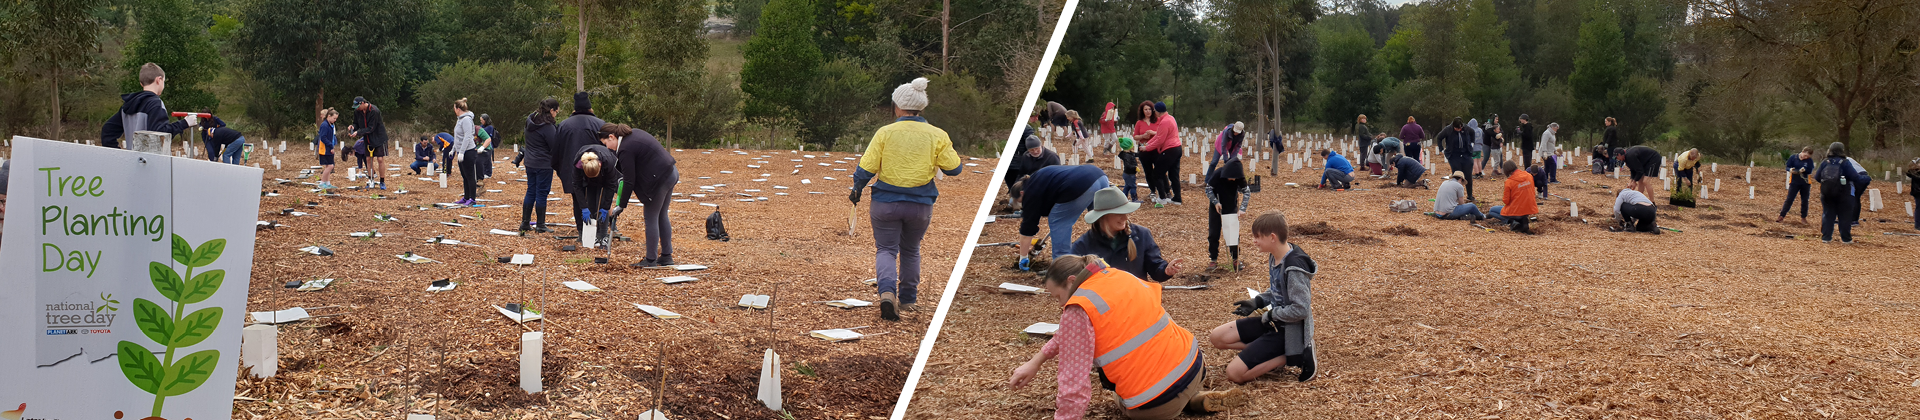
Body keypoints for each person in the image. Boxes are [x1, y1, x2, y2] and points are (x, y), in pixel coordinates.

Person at [1008, 255, 1244, 420]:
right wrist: (1036, 360)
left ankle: (1177, 405)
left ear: (1071, 282)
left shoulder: (1078, 308)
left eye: (1057, 296)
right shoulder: (1117, 277)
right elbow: (1068, 334)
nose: (1060, 304)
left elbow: (1073, 384)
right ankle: (1192, 398)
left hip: (1156, 402)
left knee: (1121, 398)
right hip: (1194, 365)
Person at [852, 77, 963, 321]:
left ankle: (887, 294)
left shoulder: (885, 133)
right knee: (911, 250)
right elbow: (954, 169)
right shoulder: (937, 134)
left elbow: (866, 168)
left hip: (885, 203)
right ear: (921, 107)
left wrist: (856, 189)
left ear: (897, 106)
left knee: (886, 249)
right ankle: (909, 299)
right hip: (920, 204)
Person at [1207, 211, 1319, 384]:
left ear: (1272, 237)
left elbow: (1301, 309)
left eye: (1257, 237)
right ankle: (1267, 352)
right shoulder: (1275, 257)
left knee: (1234, 374)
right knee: (1217, 337)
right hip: (1272, 322)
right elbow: (1278, 290)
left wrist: (1271, 315)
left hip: (1288, 331)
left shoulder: (1293, 268)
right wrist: (1256, 301)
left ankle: (1290, 355)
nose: (1254, 241)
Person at [1070, 187, 1181, 282]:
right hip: (1101, 304)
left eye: (1125, 212)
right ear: (1103, 217)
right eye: (1119, 213)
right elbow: (1074, 280)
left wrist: (1165, 270)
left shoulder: (1142, 235)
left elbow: (1155, 267)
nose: (1125, 217)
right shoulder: (1083, 245)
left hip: (1134, 301)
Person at [613, 123, 683, 267]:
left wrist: (621, 205)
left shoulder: (624, 148)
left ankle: (650, 259)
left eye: (606, 143)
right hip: (671, 172)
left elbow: (629, 180)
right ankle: (666, 256)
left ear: (611, 137)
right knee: (662, 215)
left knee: (651, 217)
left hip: (660, 178)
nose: (608, 147)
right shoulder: (634, 134)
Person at [1015, 164, 1111, 261]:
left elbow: (1028, 227)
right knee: (1102, 221)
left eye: (1021, 201)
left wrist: (1023, 257)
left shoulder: (1030, 191)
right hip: (1099, 176)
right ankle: (1109, 257)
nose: (1024, 205)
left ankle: (1062, 265)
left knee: (1058, 221)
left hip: (1078, 184)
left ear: (1022, 193)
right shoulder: (1038, 179)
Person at [100, 63, 197, 149]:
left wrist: (117, 154)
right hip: (151, 163)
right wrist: (185, 123)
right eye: (164, 81)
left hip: (132, 162)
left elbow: (107, 131)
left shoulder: (127, 105)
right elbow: (160, 134)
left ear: (141, 83)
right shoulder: (155, 103)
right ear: (159, 80)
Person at [555, 92, 607, 229]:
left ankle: (581, 229)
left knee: (578, 199)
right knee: (595, 198)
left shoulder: (563, 125)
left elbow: (556, 151)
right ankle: (596, 229)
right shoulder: (600, 124)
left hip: (571, 169)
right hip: (596, 169)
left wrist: (560, 170)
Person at [573, 124, 626, 249]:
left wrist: (605, 207)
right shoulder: (578, 164)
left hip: (606, 177)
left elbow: (610, 185)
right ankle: (592, 235)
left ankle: (603, 236)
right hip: (589, 179)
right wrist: (583, 207)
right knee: (591, 202)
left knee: (603, 204)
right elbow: (577, 186)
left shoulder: (608, 161)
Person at [521, 98, 561, 234]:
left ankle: (525, 222)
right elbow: (554, 146)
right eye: (557, 111)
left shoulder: (530, 122)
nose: (557, 113)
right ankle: (540, 224)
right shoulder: (548, 127)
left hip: (530, 161)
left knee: (531, 190)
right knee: (542, 193)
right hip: (543, 163)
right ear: (551, 111)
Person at [1815, 142, 1869, 243]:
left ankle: (1826, 238)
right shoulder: (1845, 162)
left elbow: (1817, 177)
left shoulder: (1825, 162)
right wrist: (1866, 178)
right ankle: (1846, 239)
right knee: (1845, 216)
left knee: (1828, 215)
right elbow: (1855, 177)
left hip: (1827, 193)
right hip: (1845, 193)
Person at [1205, 157, 1249, 271]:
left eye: (1236, 178)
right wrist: (1215, 202)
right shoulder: (1217, 174)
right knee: (1214, 233)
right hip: (1216, 206)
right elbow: (1208, 189)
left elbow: (1247, 192)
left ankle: (1235, 258)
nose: (1234, 180)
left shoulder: (1239, 177)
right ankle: (1213, 259)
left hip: (1231, 205)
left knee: (1232, 233)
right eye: (1232, 177)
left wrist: (1242, 208)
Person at [1005, 128, 1061, 208]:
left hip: (1045, 185)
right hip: (1029, 184)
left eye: (1037, 149)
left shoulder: (1052, 157)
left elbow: (1057, 177)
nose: (1035, 151)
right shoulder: (1025, 156)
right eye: (1031, 150)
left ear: (1041, 146)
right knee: (1014, 201)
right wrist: (1015, 189)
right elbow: (1021, 173)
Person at [347, 96, 391, 190]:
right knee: (368, 159)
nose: (357, 109)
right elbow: (356, 123)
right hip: (367, 138)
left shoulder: (374, 111)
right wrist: (353, 127)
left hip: (379, 137)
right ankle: (371, 180)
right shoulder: (357, 112)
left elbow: (371, 128)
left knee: (380, 159)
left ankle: (382, 181)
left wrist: (358, 132)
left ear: (363, 103)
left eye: (358, 106)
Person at [1487, 161, 1538, 234]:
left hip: (1516, 210)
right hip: (1529, 208)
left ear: (1506, 171)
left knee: (1492, 210)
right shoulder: (1529, 176)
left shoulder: (1509, 182)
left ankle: (1512, 221)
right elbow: (1533, 192)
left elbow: (1506, 201)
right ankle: (1522, 221)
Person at [451, 98, 483, 207]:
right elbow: (457, 137)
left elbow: (467, 136)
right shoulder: (459, 119)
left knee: (470, 176)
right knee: (464, 176)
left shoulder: (466, 120)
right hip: (461, 151)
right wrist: (454, 150)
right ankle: (466, 197)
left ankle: (472, 198)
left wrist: (462, 152)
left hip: (468, 151)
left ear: (458, 108)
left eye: (454, 108)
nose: (454, 110)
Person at [1132, 101, 1164, 205]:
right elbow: (1135, 136)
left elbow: (1163, 132)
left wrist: (1153, 133)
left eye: (1150, 109)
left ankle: (1163, 191)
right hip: (1143, 148)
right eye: (1145, 109)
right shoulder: (1139, 123)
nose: (1148, 111)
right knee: (1148, 171)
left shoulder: (1158, 120)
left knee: (1159, 170)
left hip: (1156, 148)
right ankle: (1152, 191)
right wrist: (1142, 136)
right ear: (1142, 111)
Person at [1776, 146, 1816, 223]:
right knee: (1789, 199)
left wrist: (1804, 170)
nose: (1806, 157)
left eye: (1807, 157)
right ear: (1803, 152)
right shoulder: (1793, 157)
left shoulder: (1809, 161)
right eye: (1805, 155)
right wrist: (1790, 170)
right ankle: (1782, 215)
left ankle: (1803, 217)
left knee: (1805, 200)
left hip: (1805, 182)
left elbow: (1810, 170)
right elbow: (1787, 167)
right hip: (1794, 182)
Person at [1439, 119, 1476, 201]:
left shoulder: (1465, 128)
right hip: (1454, 156)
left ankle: (1470, 195)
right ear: (1453, 127)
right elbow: (1439, 137)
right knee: (1456, 176)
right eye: (1457, 129)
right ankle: (1456, 197)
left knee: (1468, 175)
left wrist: (1472, 143)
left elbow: (1472, 132)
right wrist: (1441, 149)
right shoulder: (1448, 130)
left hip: (1466, 154)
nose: (1460, 130)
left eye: (1461, 128)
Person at [317, 109, 340, 189]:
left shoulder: (330, 125)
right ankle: (322, 183)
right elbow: (323, 137)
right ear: (329, 116)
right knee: (330, 166)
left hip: (329, 148)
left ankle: (328, 183)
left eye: (336, 119)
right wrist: (330, 146)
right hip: (324, 149)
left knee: (328, 165)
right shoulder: (325, 125)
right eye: (334, 118)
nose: (335, 120)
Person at [1118, 136, 1141, 202]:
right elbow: (1128, 165)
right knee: (1133, 186)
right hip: (1129, 174)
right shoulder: (1126, 156)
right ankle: (1134, 199)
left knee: (1127, 186)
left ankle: (1123, 199)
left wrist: (1142, 152)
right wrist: (1135, 167)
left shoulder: (1129, 153)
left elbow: (1135, 154)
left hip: (1127, 174)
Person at [478, 114, 499, 180]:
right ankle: (484, 172)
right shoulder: (482, 126)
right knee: (483, 160)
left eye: (482, 120)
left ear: (485, 120)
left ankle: (488, 173)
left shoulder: (490, 127)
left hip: (489, 145)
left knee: (488, 160)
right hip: (482, 145)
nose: (481, 121)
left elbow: (484, 133)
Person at [1906, 158, 1920, 230]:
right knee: (1919, 208)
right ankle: (1917, 225)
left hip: (1917, 192)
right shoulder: (1914, 173)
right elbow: (1909, 171)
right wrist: (1912, 163)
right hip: (1918, 192)